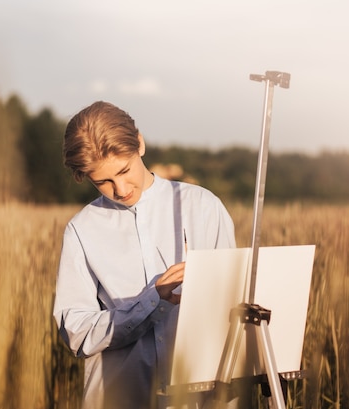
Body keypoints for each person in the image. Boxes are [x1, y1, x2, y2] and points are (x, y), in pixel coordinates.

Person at [53, 101, 237, 409]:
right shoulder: (81, 231)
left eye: (124, 170)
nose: (121, 188)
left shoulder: (203, 207)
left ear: (140, 143)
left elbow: (234, 309)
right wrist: (149, 302)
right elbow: (77, 333)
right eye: (103, 181)